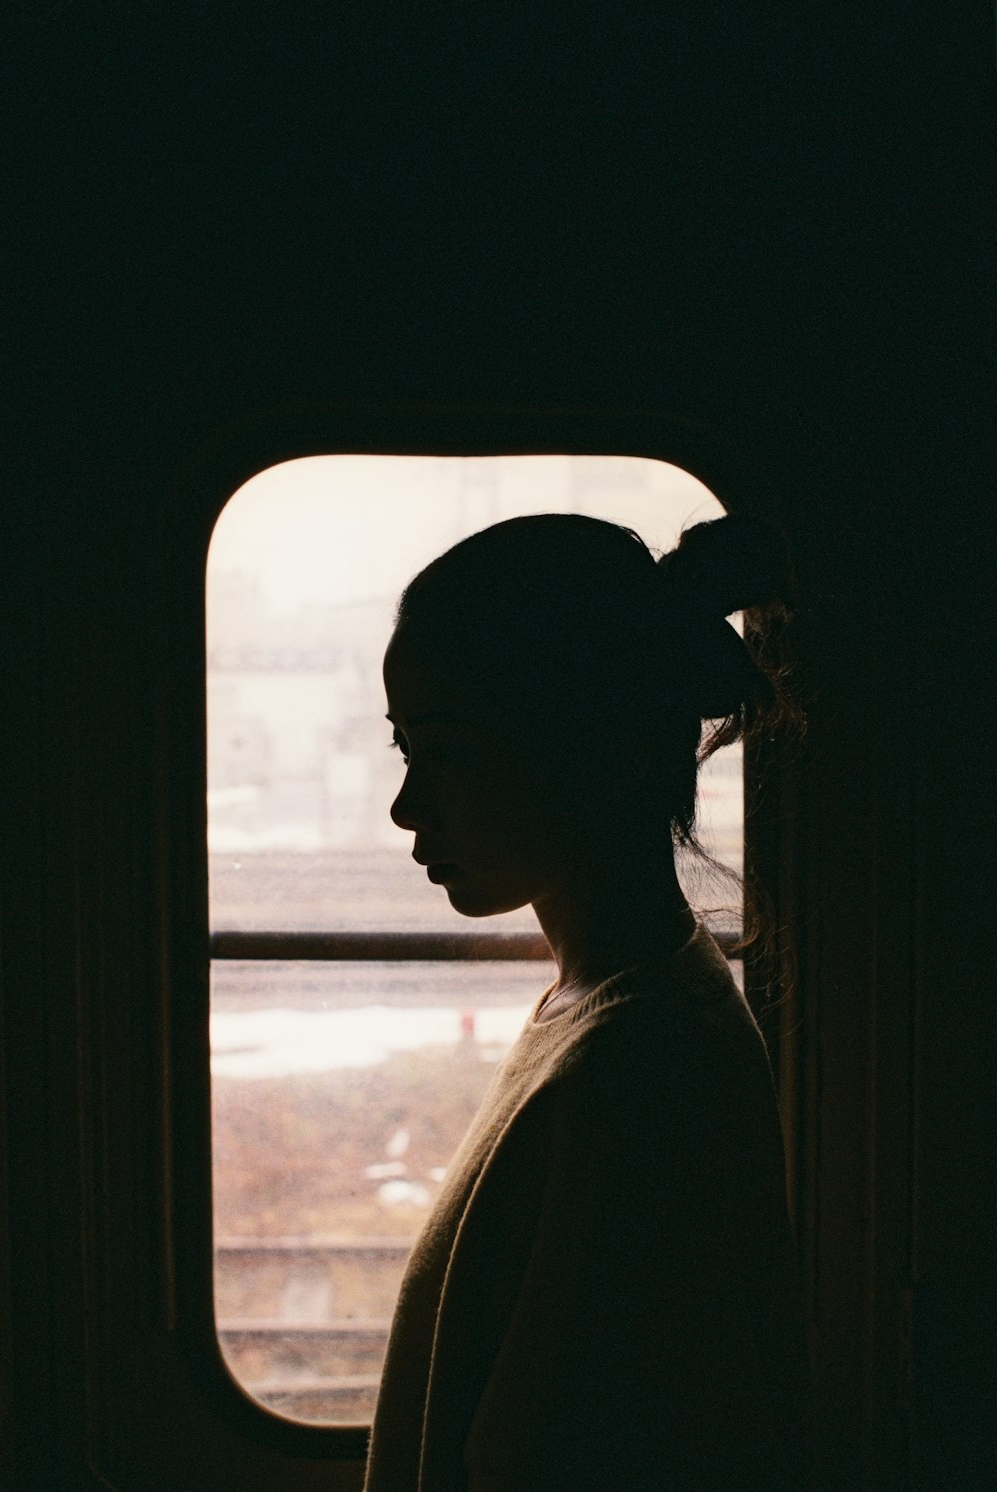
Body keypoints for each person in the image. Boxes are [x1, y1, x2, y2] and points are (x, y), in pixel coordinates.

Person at [364, 512, 812, 1491]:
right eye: (406, 748)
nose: (406, 805)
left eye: (444, 751)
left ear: (590, 749)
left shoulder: (640, 1068)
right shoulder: (608, 1008)